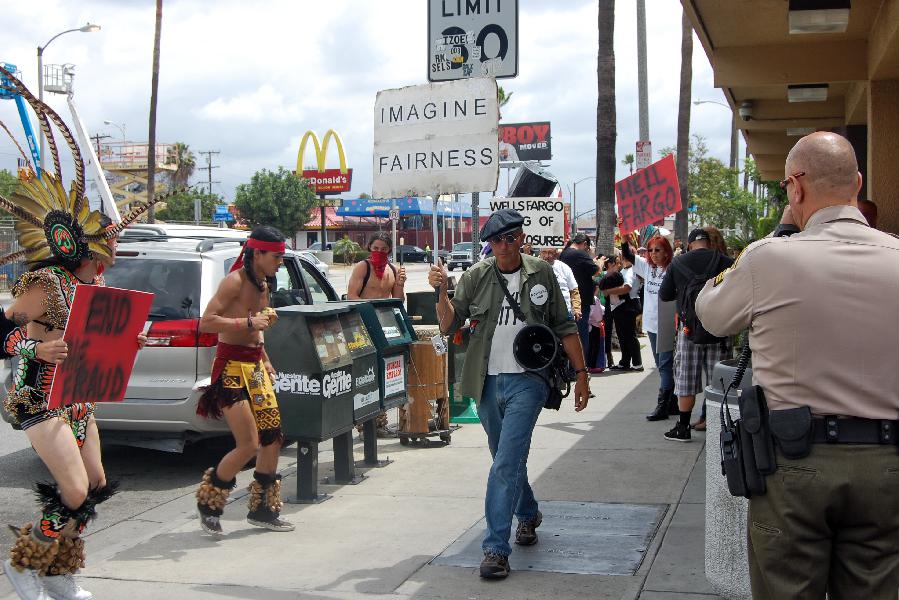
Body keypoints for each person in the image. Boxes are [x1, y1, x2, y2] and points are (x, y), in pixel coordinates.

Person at [695, 131, 899, 599]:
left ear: (796, 187)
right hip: (887, 462)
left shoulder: (771, 258)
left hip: (795, 463)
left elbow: (711, 312)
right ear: (858, 182)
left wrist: (780, 232)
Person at [0, 65, 154, 600]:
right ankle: (25, 562)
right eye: (102, 248)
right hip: (38, 397)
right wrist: (33, 344)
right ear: (79, 248)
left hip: (78, 398)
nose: (109, 254)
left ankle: (60, 572)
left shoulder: (97, 290)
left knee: (97, 485)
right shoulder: (44, 282)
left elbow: (97, 343)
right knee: (71, 488)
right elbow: (3, 333)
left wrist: (128, 344)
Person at [429, 209, 590, 580]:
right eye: (496, 240)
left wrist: (582, 375)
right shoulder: (475, 276)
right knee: (506, 459)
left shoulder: (542, 272)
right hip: (486, 381)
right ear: (489, 243)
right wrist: (440, 291)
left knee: (505, 463)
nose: (503, 246)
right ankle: (528, 512)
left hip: (528, 381)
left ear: (521, 237)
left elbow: (565, 325)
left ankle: (495, 549)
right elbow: (450, 322)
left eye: (510, 238)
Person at [195, 226, 294, 535]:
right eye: (276, 256)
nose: (281, 261)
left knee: (273, 438)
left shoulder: (263, 283)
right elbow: (206, 322)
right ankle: (209, 502)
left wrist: (265, 357)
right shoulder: (233, 282)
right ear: (258, 253)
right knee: (249, 443)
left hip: (254, 368)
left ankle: (263, 510)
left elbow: (259, 327)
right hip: (230, 369)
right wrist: (247, 321)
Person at [658, 228, 733, 442]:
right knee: (720, 381)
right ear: (709, 243)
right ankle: (721, 428)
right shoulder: (726, 262)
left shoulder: (679, 263)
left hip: (689, 331)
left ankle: (683, 428)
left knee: (686, 378)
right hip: (720, 329)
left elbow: (665, 295)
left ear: (690, 244)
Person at [347, 232, 407, 436]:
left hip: (384, 328)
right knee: (364, 375)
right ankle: (364, 426)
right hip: (362, 327)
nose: (379, 253)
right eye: (376, 249)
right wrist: (369, 310)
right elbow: (351, 295)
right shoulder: (363, 267)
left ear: (389, 250)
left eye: (383, 249)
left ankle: (379, 424)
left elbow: (398, 300)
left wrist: (400, 283)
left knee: (383, 374)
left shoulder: (393, 269)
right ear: (369, 248)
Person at [622, 236, 676, 420]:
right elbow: (627, 255)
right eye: (651, 250)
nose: (653, 254)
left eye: (658, 250)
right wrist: (624, 238)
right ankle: (673, 402)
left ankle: (663, 407)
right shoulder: (647, 267)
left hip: (667, 324)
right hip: (652, 324)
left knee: (665, 365)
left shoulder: (673, 270)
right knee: (662, 366)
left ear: (667, 251)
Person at [560, 234, 601, 361]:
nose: (587, 251)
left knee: (569, 335)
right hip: (581, 301)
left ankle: (572, 367)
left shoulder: (564, 254)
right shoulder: (580, 254)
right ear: (584, 243)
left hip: (568, 300)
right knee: (582, 335)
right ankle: (582, 366)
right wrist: (599, 263)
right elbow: (597, 271)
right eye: (587, 248)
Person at [599, 254, 643, 371]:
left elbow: (626, 288)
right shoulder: (624, 270)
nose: (620, 263)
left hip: (628, 306)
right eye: (620, 260)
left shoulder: (630, 271)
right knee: (622, 335)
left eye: (623, 259)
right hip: (620, 307)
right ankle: (625, 361)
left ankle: (637, 363)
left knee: (629, 335)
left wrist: (608, 291)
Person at [538, 247, 581, 320]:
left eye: (550, 253)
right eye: (544, 252)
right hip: (541, 314)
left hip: (564, 313)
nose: (547, 256)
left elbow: (574, 291)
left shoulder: (564, 268)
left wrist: (576, 309)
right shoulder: (533, 266)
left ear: (556, 254)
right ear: (540, 253)